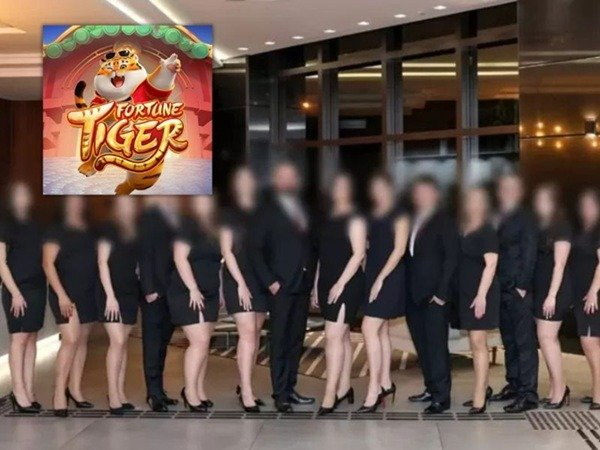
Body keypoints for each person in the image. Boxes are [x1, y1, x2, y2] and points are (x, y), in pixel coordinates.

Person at [250, 161, 318, 413]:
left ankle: (291, 388)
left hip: (302, 286)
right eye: (283, 177)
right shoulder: (266, 212)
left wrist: (312, 280)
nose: (288, 181)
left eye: (291, 177)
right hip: (280, 287)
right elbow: (255, 250)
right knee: (279, 341)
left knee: (296, 340)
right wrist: (270, 282)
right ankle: (280, 394)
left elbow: (311, 247)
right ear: (276, 182)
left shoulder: (304, 209)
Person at [312, 173, 366, 415]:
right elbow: (322, 256)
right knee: (341, 337)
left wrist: (340, 284)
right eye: (336, 186)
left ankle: (329, 394)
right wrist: (316, 285)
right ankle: (344, 388)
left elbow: (358, 254)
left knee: (332, 337)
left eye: (344, 186)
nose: (339, 190)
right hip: (326, 283)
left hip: (347, 284)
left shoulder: (355, 219)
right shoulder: (327, 219)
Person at [405, 175, 459, 414]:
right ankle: (430, 387)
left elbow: (451, 258)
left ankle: (441, 397)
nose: (421, 197)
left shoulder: (444, 220)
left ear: (435, 195)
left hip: (435, 297)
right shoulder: (412, 219)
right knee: (422, 346)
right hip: (413, 296)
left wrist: (441, 295)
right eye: (418, 193)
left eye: (426, 192)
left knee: (436, 348)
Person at [358, 173, 409, 414]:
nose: (377, 192)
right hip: (373, 275)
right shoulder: (372, 215)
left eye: (381, 187)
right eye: (374, 188)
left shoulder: (400, 214)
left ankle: (373, 390)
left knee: (369, 328)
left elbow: (399, 250)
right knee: (382, 330)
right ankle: (386, 383)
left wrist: (380, 279)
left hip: (390, 277)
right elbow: (370, 244)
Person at [43, 196, 97, 417]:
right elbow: (47, 264)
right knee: (71, 339)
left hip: (88, 293)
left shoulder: (89, 230)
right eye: (72, 201)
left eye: (79, 200)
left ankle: (75, 390)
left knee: (81, 341)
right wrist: (62, 296)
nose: (76, 204)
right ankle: (59, 393)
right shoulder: (56, 229)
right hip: (65, 294)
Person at [220, 167, 268, 412]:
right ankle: (247, 392)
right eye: (241, 180)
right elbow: (227, 251)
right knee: (247, 332)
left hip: (259, 280)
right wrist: (240, 283)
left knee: (256, 333)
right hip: (237, 279)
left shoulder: (261, 213)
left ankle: (244, 384)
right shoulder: (229, 214)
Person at [169, 196, 221, 412]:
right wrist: (192, 288)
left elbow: (217, 262)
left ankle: (199, 390)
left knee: (204, 343)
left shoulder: (214, 229)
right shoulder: (187, 226)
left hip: (210, 293)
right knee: (198, 341)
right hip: (187, 292)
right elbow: (179, 258)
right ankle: (189, 392)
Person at [492, 173, 539, 413]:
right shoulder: (499, 216)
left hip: (517, 289)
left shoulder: (526, 216)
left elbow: (530, 252)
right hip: (500, 288)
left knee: (524, 343)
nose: (506, 192)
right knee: (509, 341)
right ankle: (514, 384)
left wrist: (521, 285)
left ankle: (528, 394)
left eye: (511, 188)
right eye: (503, 188)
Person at [0, 182, 46, 413]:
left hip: (38, 287)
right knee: (18, 339)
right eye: (18, 194)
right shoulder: (5, 224)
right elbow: (1, 262)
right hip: (17, 290)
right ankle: (18, 393)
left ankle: (29, 390)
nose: (23, 198)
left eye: (25, 194)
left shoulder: (35, 224)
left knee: (31, 338)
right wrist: (15, 293)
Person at [457, 187, 500, 414]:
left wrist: (481, 295)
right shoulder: (464, 227)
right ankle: (483, 387)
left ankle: (480, 396)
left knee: (478, 342)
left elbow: (491, 265)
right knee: (474, 344)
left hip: (481, 293)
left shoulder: (487, 230)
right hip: (465, 293)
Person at [96, 196, 140, 415]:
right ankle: (112, 395)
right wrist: (110, 296)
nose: (127, 208)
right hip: (110, 293)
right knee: (117, 341)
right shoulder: (108, 229)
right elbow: (102, 262)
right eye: (123, 204)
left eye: (130, 204)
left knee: (123, 344)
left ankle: (120, 393)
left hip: (130, 291)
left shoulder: (133, 232)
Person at [532, 183, 572, 410]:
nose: (539, 204)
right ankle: (554, 387)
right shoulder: (541, 227)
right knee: (546, 340)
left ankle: (561, 389)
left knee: (547, 338)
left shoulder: (561, 226)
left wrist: (552, 295)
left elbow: (560, 264)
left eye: (543, 200)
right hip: (541, 290)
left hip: (555, 291)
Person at [139, 197, 180, 411]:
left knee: (162, 345)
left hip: (171, 292)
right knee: (153, 345)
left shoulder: (175, 218)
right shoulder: (150, 217)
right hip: (154, 293)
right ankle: (153, 394)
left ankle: (160, 391)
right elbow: (144, 254)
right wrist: (149, 289)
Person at [571, 189, 600, 410]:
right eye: (583, 205)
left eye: (590, 205)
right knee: (590, 344)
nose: (586, 209)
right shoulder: (584, 230)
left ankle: (599, 395)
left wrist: (593, 292)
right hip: (582, 295)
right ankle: (596, 390)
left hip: (593, 297)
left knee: (590, 343)